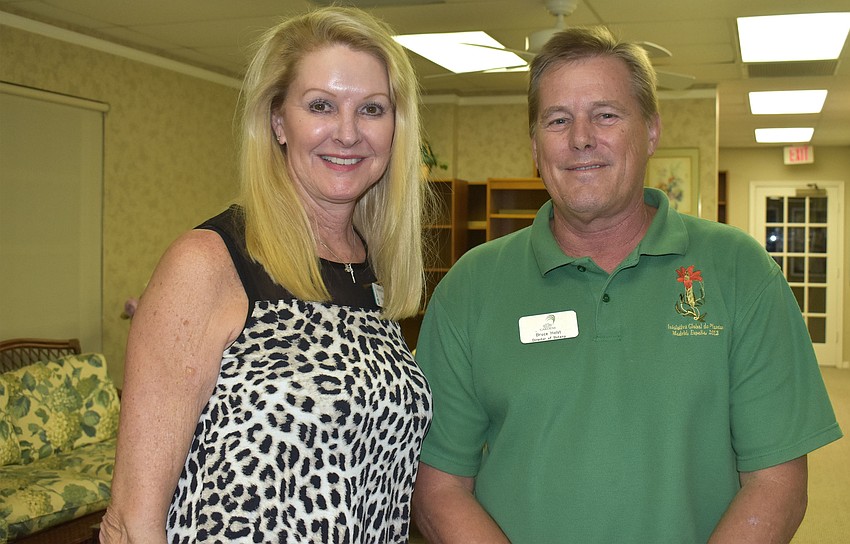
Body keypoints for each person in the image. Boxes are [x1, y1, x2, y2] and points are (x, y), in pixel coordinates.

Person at [412, 25, 842, 543]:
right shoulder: (469, 288)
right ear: (534, 145)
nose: (581, 138)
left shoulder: (741, 272)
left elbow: (777, 482)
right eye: (557, 120)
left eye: (606, 115)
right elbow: (439, 485)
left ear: (652, 131)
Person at [100, 7, 432, 543]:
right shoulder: (207, 264)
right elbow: (129, 522)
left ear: (396, 128)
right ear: (278, 121)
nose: (347, 133)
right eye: (321, 105)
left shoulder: (371, 270)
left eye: (372, 109)